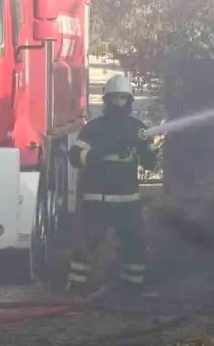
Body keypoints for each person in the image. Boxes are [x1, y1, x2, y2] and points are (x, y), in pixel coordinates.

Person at [67, 75, 160, 299]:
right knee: (86, 243)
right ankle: (75, 288)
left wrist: (148, 148)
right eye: (114, 98)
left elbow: (149, 163)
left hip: (128, 201)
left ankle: (133, 288)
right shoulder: (94, 129)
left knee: (135, 245)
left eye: (122, 98)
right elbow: (75, 156)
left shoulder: (139, 129)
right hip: (97, 199)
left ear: (129, 101)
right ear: (106, 100)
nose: (118, 103)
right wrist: (99, 154)